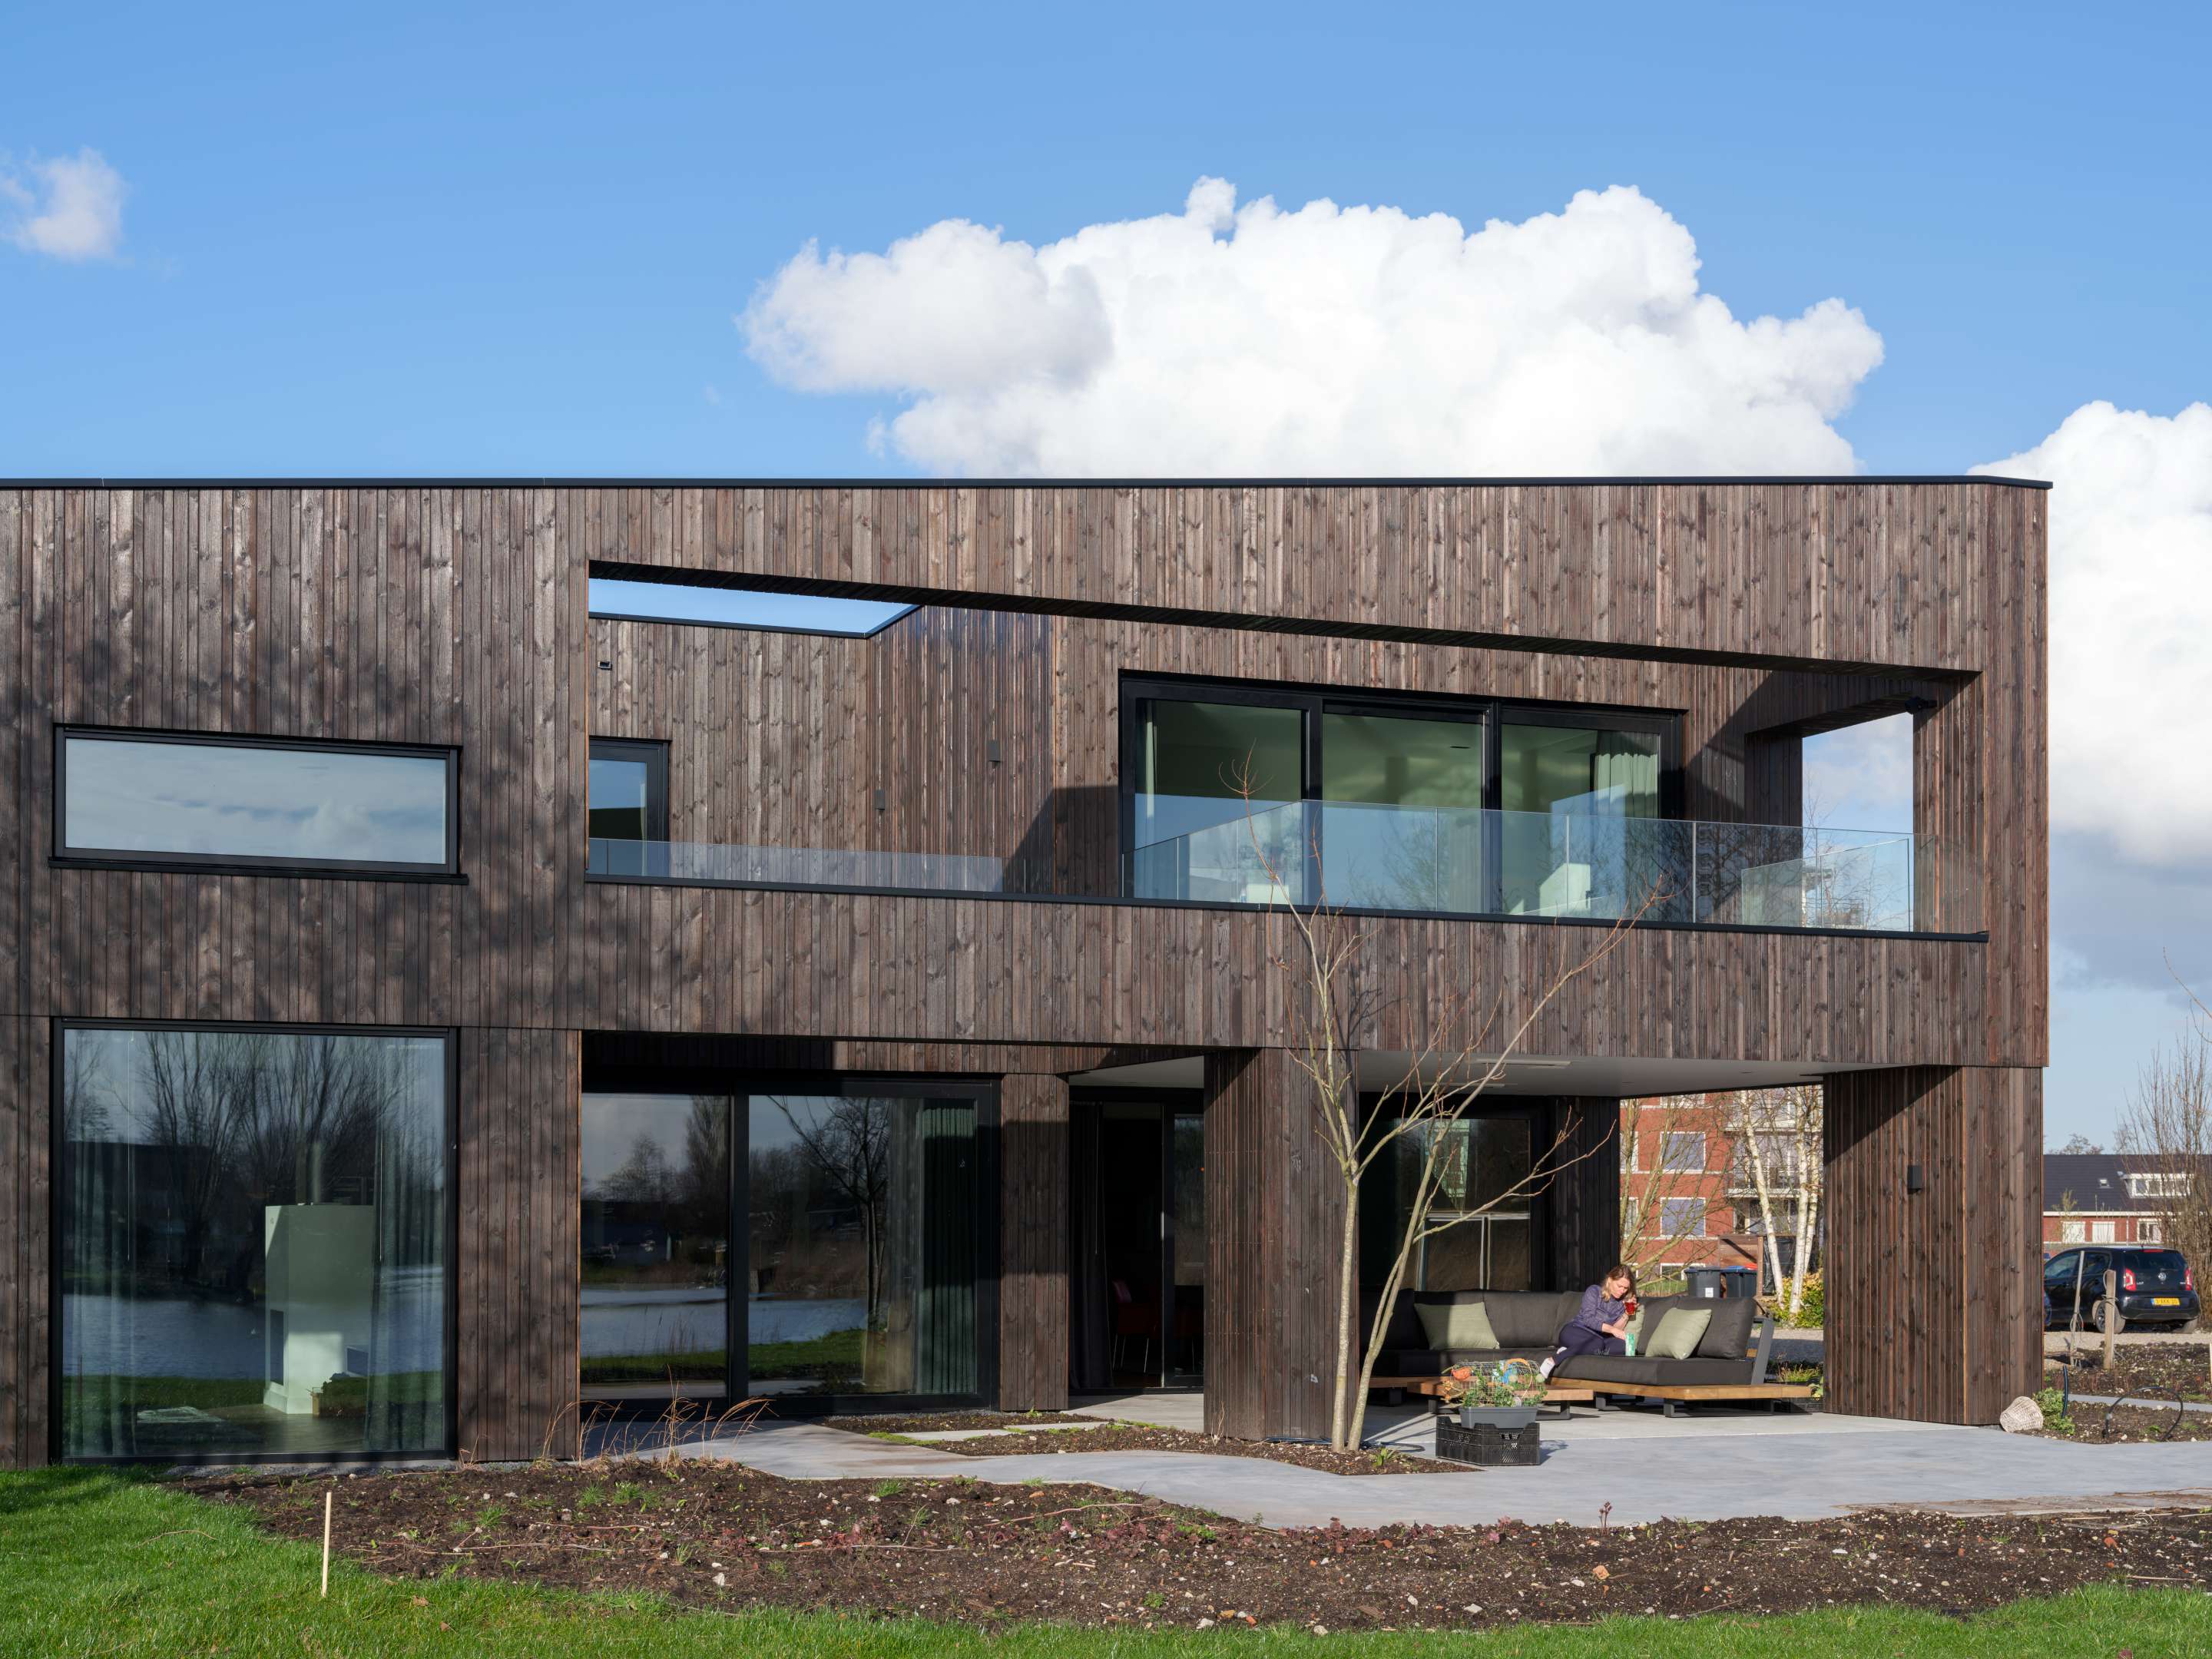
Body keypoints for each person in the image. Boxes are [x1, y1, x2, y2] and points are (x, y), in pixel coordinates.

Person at [1539, 1264, 1636, 1379]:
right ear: (1610, 1280)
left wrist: (1627, 1314)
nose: (1622, 1291)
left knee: (1626, 1347)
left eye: (1626, 1288)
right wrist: (1612, 1330)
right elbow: (1588, 1319)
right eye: (1620, 1286)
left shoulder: (1622, 1303)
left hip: (1600, 1339)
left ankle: (1573, 1350)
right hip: (1575, 1331)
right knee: (1597, 1344)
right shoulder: (1594, 1291)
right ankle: (1553, 1360)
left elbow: (1616, 1330)